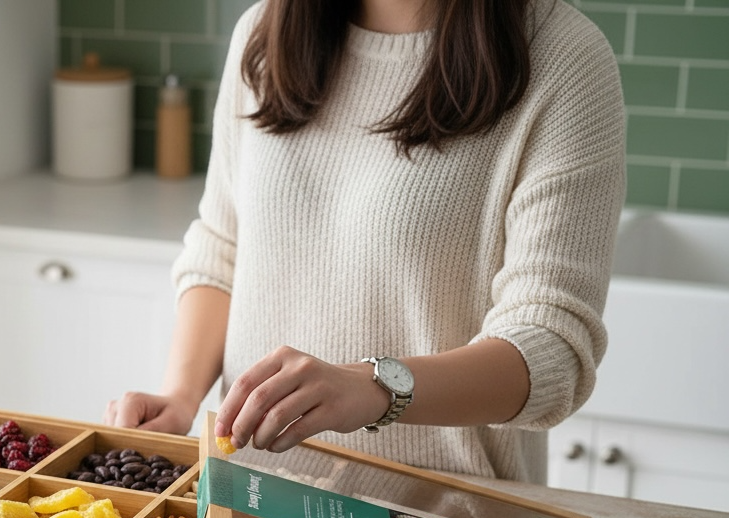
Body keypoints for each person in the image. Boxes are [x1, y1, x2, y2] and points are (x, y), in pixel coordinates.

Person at [103, 0, 625, 485]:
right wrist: (180, 394)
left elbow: (552, 348)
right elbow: (223, 248)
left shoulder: (564, 58)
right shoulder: (263, 32)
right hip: (250, 501)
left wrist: (377, 387)